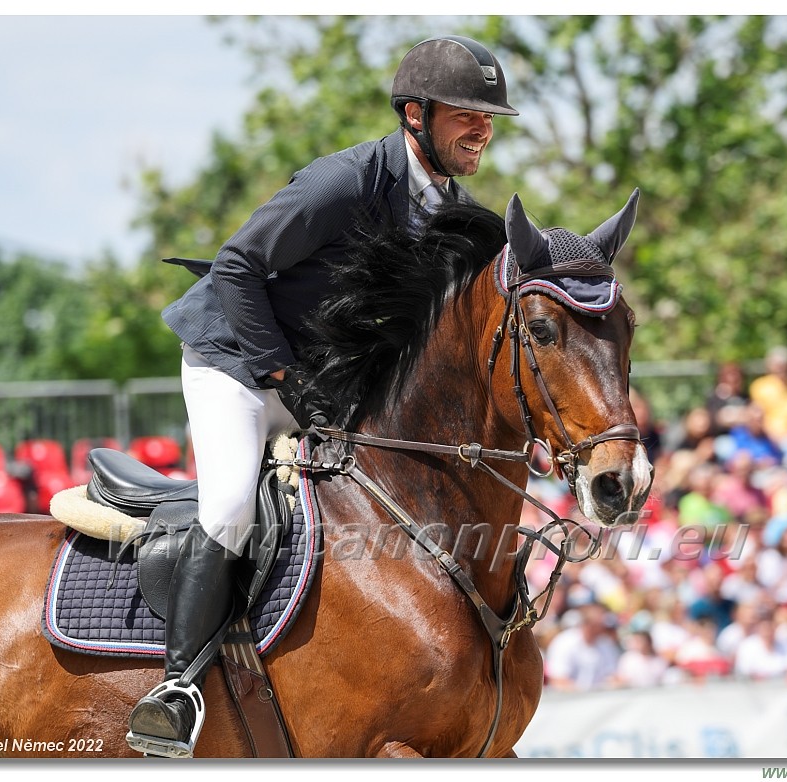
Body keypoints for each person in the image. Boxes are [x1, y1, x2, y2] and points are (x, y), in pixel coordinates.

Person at [126, 35, 520, 756]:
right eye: (467, 112)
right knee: (231, 506)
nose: (482, 129)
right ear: (414, 114)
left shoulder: (453, 210)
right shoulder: (344, 182)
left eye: (489, 117)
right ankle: (176, 691)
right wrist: (283, 376)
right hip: (237, 362)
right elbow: (239, 267)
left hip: (321, 378)